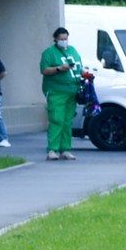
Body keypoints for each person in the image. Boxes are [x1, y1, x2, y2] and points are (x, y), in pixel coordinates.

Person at [38, 26, 83, 160]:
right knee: (56, 119)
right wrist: (59, 69)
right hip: (56, 91)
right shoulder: (49, 53)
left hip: (72, 91)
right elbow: (44, 70)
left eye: (66, 38)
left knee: (67, 121)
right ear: (55, 39)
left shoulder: (73, 50)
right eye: (61, 39)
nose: (64, 41)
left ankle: (65, 149)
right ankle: (52, 149)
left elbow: (79, 66)